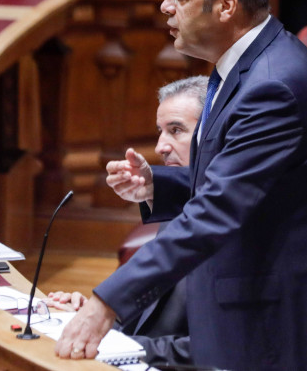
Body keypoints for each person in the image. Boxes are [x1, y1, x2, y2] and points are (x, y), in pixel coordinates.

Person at [55, 0, 307, 370]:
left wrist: (108, 303)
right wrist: (160, 185)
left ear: (226, 6)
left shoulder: (271, 87)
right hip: (261, 293)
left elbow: (216, 210)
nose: (164, 7)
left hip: (280, 318)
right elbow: (249, 180)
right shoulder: (248, 63)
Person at [48, 76, 208, 366]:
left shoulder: (228, 219)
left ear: (214, 134)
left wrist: (111, 339)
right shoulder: (185, 201)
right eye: (160, 131)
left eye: (176, 130)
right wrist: (92, 315)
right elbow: (157, 315)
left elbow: (218, 350)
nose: (161, 146)